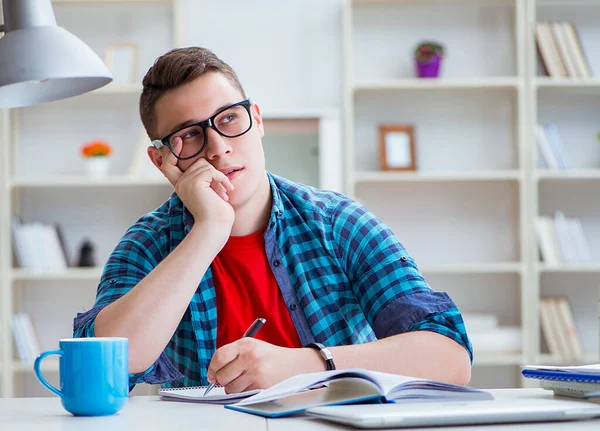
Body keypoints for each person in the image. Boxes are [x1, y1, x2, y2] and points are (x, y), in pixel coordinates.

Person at [73, 47, 473, 393]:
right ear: (161, 160)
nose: (218, 148)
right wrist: (209, 229)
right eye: (189, 136)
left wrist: (306, 365)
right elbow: (103, 365)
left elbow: (449, 357)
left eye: (228, 118)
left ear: (258, 120)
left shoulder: (339, 223)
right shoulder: (148, 243)